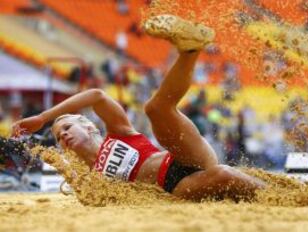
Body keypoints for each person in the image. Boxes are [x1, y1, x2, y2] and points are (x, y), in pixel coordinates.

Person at [12, 15, 265, 201]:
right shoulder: (88, 178)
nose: (63, 135)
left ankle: (190, 50)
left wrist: (45, 117)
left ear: (89, 126)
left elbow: (97, 95)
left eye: (67, 127)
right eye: (58, 137)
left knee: (156, 108)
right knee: (223, 175)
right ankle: (273, 196)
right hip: (173, 188)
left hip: (181, 157)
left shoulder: (118, 133)